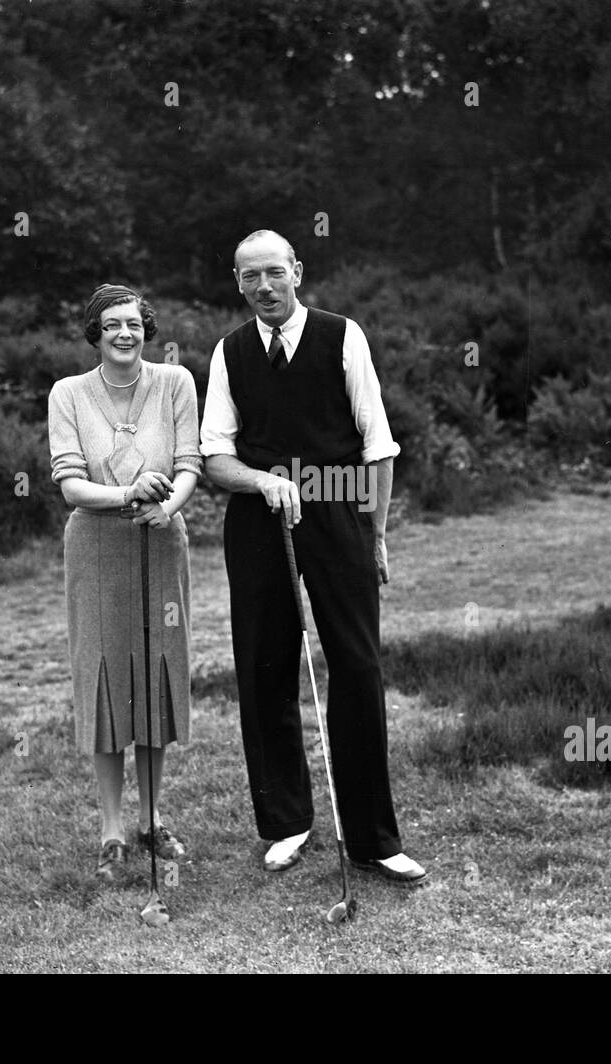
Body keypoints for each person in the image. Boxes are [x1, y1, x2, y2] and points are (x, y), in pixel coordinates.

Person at [199, 230, 426, 885]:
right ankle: (286, 823)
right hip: (259, 514)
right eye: (249, 277)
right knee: (265, 664)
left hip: (337, 506)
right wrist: (262, 481)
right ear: (237, 282)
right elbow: (216, 454)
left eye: (274, 273)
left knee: (356, 663)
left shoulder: (342, 336)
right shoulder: (229, 351)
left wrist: (375, 533)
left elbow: (378, 445)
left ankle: (373, 839)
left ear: (296, 271)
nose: (264, 287)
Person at [48, 283, 202, 880]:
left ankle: (153, 818)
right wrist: (126, 496)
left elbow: (189, 464)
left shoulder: (176, 383)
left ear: (148, 328)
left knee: (155, 674)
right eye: (112, 324)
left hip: (161, 541)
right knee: (108, 679)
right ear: (95, 332)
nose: (124, 333)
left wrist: (166, 507)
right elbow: (70, 485)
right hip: (97, 545)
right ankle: (112, 830)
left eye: (134, 323)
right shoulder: (69, 394)